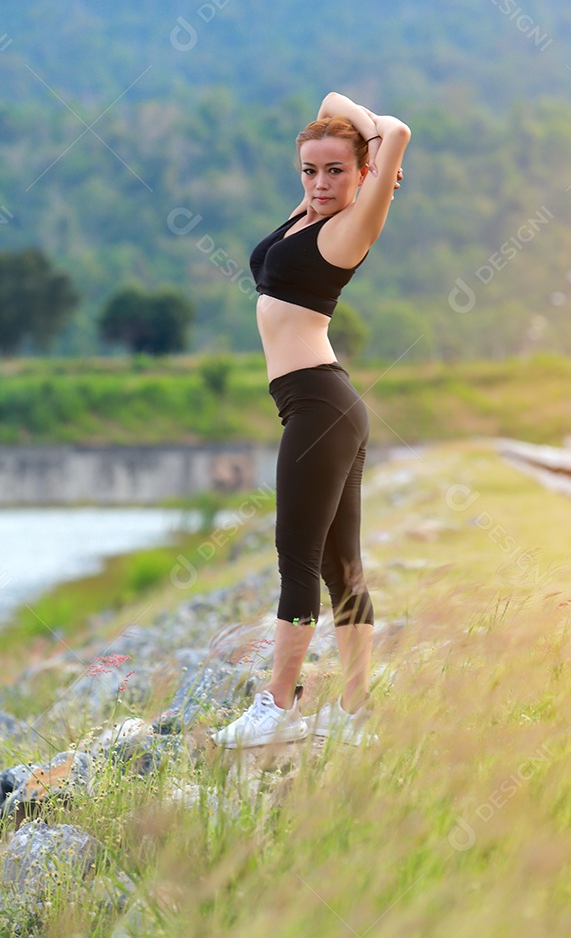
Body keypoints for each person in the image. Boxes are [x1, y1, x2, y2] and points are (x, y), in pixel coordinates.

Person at [210, 91, 411, 748]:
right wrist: (355, 137)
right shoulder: (305, 215)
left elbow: (399, 128)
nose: (321, 183)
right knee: (339, 567)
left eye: (335, 171)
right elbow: (330, 100)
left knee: (295, 558)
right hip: (319, 403)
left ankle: (276, 707)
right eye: (310, 170)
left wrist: (380, 147)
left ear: (361, 177)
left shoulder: (352, 223)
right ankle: (356, 712)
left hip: (320, 405)